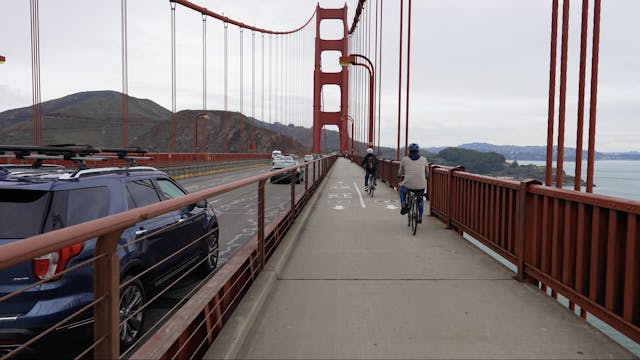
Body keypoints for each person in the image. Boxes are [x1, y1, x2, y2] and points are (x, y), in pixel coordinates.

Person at [398, 143, 428, 223]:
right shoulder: (424, 159)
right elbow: (427, 172)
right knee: (420, 199)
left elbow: (400, 172)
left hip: (408, 185)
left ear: (409, 150)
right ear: (418, 150)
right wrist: (424, 176)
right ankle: (420, 218)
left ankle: (404, 204)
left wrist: (399, 176)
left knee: (401, 190)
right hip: (421, 185)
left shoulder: (404, 159)